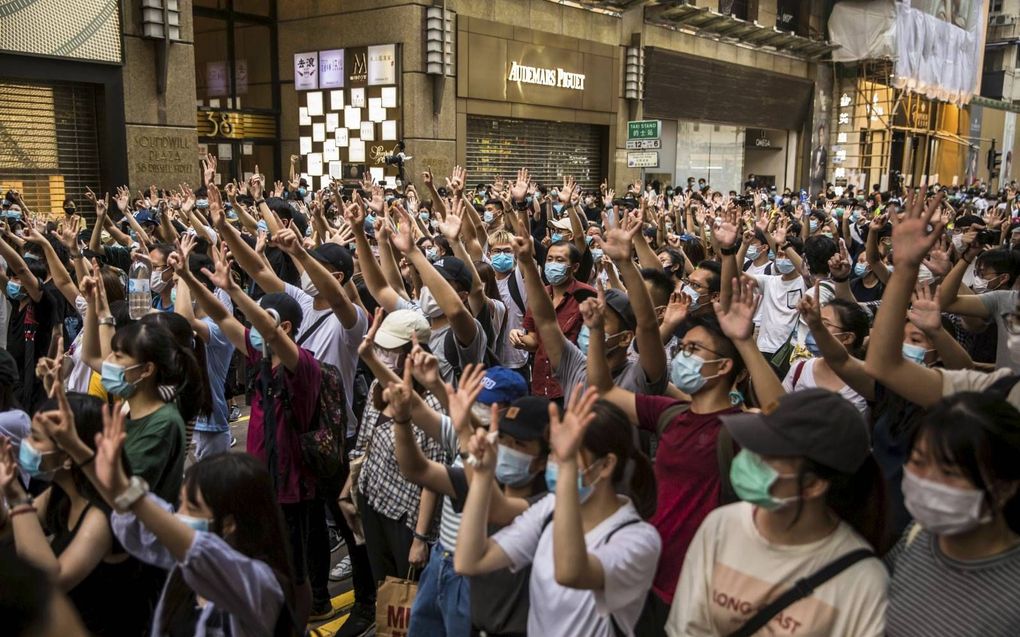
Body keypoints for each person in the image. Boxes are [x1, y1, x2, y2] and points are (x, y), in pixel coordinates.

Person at [667, 389, 889, 636]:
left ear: (813, 484)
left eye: (767, 456)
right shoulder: (722, 526)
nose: (748, 460)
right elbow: (688, 627)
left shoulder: (862, 581)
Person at [455, 387, 661, 637]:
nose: (555, 461)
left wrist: (565, 468)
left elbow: (570, 572)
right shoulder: (550, 509)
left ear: (606, 465)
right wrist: (483, 475)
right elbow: (470, 560)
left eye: (570, 452)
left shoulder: (638, 539)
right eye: (553, 451)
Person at [91, 402, 300, 636]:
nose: (178, 516)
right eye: (180, 504)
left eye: (192, 508)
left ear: (229, 524)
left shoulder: (260, 584)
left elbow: (202, 553)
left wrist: (128, 491)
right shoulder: (181, 568)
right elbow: (139, 528)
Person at [0, 390, 150, 636]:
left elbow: (49, 583)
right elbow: (6, 528)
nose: (27, 445)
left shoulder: (102, 514)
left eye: (36, 439)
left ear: (69, 454)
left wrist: (18, 499)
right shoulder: (58, 496)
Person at [885, 393, 1020, 636]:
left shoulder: (1012, 598)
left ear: (1004, 487)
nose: (926, 482)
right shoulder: (917, 536)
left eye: (950, 472)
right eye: (918, 461)